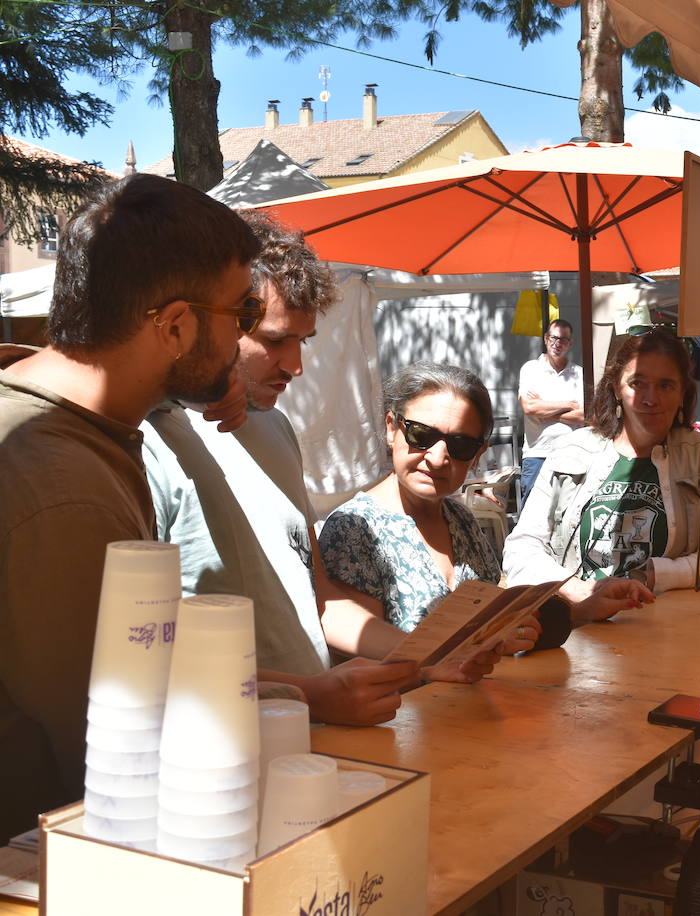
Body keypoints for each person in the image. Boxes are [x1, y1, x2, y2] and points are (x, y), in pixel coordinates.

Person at [140, 213, 498, 730]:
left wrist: (433, 654)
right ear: (217, 322)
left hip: (303, 739)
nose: (295, 366)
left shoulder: (275, 429)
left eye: (302, 343)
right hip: (217, 745)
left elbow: (322, 601)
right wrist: (305, 695)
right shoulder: (150, 440)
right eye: (275, 340)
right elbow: (148, 651)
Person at [0, 174, 260, 837]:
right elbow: (118, 746)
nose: (243, 344)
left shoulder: (55, 415)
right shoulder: (66, 495)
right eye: (244, 314)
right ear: (174, 326)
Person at [321, 361, 646, 634]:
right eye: (422, 435)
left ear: (478, 455)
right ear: (392, 429)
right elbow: (369, 655)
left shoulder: (459, 520)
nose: (437, 457)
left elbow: (496, 619)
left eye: (460, 445)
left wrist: (580, 611)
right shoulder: (354, 529)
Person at [504, 328, 700, 620]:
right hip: (576, 626)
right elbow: (522, 547)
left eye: (666, 386)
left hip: (669, 631)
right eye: (637, 383)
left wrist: (654, 575)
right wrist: (580, 590)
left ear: (683, 393)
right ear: (617, 388)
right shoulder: (570, 450)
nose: (650, 398)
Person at [518, 318, 584, 503]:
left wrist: (545, 409)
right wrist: (568, 404)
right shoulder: (531, 369)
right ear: (546, 339)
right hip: (538, 453)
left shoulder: (579, 374)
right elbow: (529, 407)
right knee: (531, 511)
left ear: (570, 343)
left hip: (571, 452)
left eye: (563, 340)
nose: (557, 344)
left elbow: (584, 415)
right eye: (554, 338)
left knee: (567, 509)